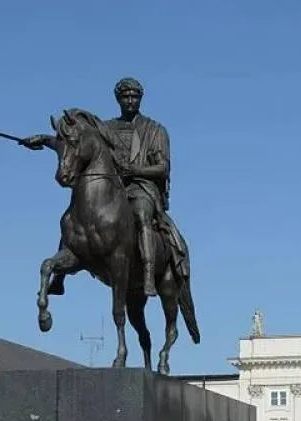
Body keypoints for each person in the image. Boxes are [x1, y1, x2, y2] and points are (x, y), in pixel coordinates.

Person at [22, 77, 185, 297]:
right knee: (75, 216)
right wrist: (43, 139)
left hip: (141, 188)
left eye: (134, 96)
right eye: (125, 96)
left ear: (140, 99)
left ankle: (148, 277)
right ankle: (59, 277)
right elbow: (75, 143)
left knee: (142, 213)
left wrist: (134, 170)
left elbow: (162, 168)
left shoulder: (155, 130)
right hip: (111, 188)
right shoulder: (105, 128)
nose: (129, 101)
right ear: (118, 99)